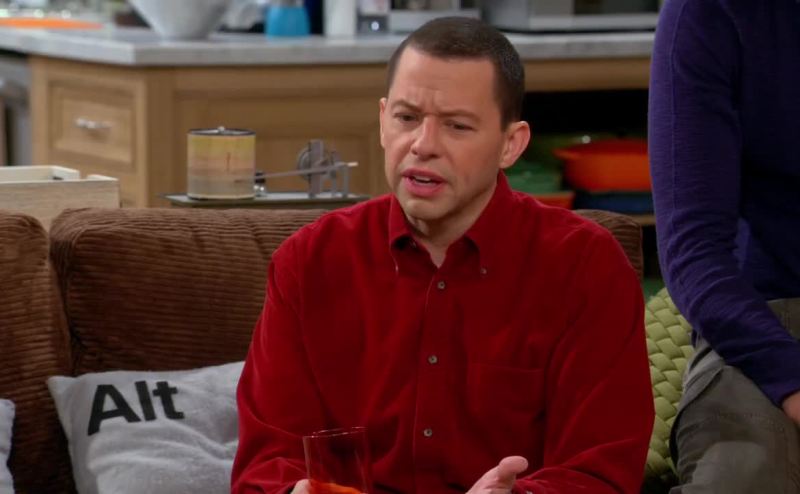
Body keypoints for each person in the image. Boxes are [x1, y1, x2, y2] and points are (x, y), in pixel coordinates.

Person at [233, 16, 653, 494]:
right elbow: (266, 463)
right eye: (407, 118)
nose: (423, 146)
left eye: (457, 126)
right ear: (383, 121)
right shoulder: (308, 263)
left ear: (510, 145)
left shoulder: (586, 268)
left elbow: (600, 472)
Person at [648, 0, 800, 492]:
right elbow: (693, 250)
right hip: (765, 319)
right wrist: (791, 380)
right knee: (742, 475)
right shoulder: (710, 12)